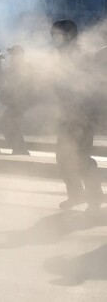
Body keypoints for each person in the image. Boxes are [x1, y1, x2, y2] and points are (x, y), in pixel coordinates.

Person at [50, 19, 103, 211]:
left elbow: (90, 86)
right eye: (52, 36)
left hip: (83, 116)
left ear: (69, 35)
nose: (54, 39)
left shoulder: (82, 56)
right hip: (66, 116)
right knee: (63, 157)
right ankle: (76, 195)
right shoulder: (60, 56)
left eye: (57, 35)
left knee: (81, 157)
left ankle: (95, 198)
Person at [0, 45, 33, 155]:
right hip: (14, 101)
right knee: (10, 124)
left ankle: (19, 149)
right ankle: (19, 149)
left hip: (21, 101)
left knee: (8, 123)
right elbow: (3, 80)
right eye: (11, 55)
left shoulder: (25, 66)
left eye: (13, 54)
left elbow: (25, 82)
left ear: (20, 55)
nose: (11, 57)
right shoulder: (12, 68)